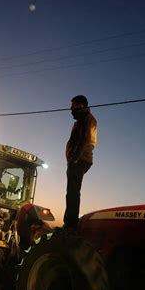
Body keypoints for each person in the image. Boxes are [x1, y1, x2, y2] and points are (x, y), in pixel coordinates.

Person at [63, 95, 97, 230]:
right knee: (71, 191)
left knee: (73, 191)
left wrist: (74, 158)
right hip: (78, 159)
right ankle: (70, 223)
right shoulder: (81, 120)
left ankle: (70, 224)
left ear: (80, 105)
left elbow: (84, 140)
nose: (70, 108)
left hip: (80, 160)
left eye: (73, 105)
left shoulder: (86, 119)